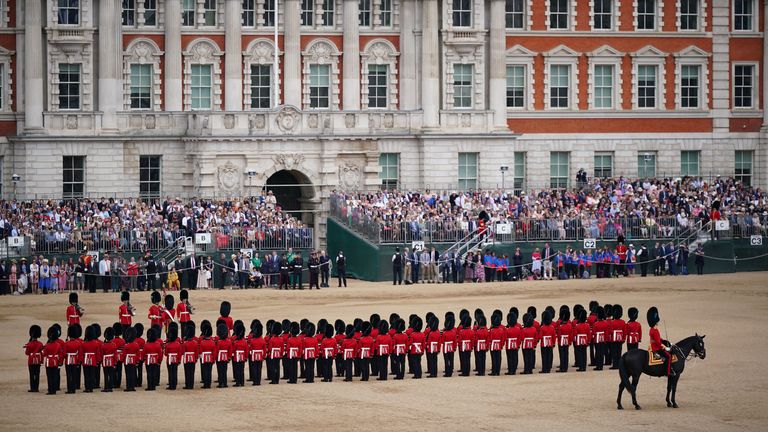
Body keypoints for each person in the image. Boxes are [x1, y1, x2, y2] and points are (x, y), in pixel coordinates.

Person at [647, 307, 675, 376]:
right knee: (668, 356)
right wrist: (665, 347)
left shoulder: (652, 329)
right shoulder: (655, 330)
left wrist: (665, 341)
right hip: (657, 348)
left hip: (654, 346)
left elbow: (658, 339)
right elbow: (658, 343)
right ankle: (667, 372)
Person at [43, 325, 63, 395]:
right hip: (55, 361)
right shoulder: (58, 345)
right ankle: (54, 390)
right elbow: (60, 354)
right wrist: (60, 362)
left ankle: (50, 390)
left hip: (49, 362)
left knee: (49, 376)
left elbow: (44, 354)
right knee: (55, 376)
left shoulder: (47, 345)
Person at [24, 325, 43, 392]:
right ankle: (36, 388)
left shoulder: (29, 344)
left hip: (31, 360)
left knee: (32, 375)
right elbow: (41, 352)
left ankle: (32, 388)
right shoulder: (40, 343)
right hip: (38, 360)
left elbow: (27, 353)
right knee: (37, 374)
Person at [164, 323, 181, 390]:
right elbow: (179, 353)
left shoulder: (168, 345)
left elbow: (165, 353)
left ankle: (171, 385)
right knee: (175, 372)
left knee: (170, 372)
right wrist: (179, 360)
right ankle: (175, 384)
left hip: (170, 359)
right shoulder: (178, 344)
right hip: (176, 359)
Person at [248, 320, 266, 385]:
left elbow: (250, 349)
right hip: (260, 355)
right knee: (259, 369)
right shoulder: (262, 340)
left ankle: (255, 381)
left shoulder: (253, 341)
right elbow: (264, 350)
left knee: (254, 368)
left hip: (254, 355)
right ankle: (258, 381)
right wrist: (264, 356)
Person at [181, 321, 198, 389]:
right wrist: (196, 358)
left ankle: (188, 384)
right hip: (193, 358)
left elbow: (182, 352)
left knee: (187, 371)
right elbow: (196, 352)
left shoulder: (185, 343)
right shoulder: (195, 343)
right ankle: (191, 384)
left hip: (186, 358)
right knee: (192, 371)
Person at [199, 321, 216, 389]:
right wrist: (214, 359)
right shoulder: (212, 342)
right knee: (209, 371)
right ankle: (208, 384)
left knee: (205, 370)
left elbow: (200, 351)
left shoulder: (202, 342)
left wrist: (200, 357)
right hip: (210, 357)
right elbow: (214, 352)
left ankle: (205, 384)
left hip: (204, 357)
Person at [122, 326, 139, 392]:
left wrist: (124, 360)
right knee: (133, 373)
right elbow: (137, 354)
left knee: (128, 374)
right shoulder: (136, 345)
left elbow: (124, 354)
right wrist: (137, 361)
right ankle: (132, 386)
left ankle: (128, 386)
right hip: (134, 360)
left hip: (127, 360)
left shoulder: (126, 345)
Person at [100, 327, 117, 393]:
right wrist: (115, 363)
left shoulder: (103, 345)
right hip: (111, 361)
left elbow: (101, 354)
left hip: (105, 361)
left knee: (106, 375)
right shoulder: (114, 345)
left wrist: (101, 361)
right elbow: (115, 355)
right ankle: (110, 387)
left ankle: (106, 387)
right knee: (111, 374)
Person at [556, 306, 572, 373]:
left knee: (562, 354)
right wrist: (570, 342)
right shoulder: (569, 325)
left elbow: (559, 335)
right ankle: (565, 367)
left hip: (561, 341)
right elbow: (571, 334)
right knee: (566, 354)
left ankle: (562, 367)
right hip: (567, 340)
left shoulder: (560, 326)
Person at [215, 323, 231, 388]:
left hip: (219, 357)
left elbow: (217, 350)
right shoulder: (229, 341)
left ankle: (221, 383)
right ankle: (225, 383)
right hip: (226, 356)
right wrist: (229, 357)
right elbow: (230, 350)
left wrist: (215, 357)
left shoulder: (219, 342)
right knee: (224, 370)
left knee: (220, 370)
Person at [610, 304, 626, 369]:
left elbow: (611, 331)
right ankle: (619, 364)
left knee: (614, 352)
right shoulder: (623, 322)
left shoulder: (612, 322)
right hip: (620, 338)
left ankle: (615, 365)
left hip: (614, 338)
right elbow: (625, 331)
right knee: (619, 352)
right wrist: (623, 339)